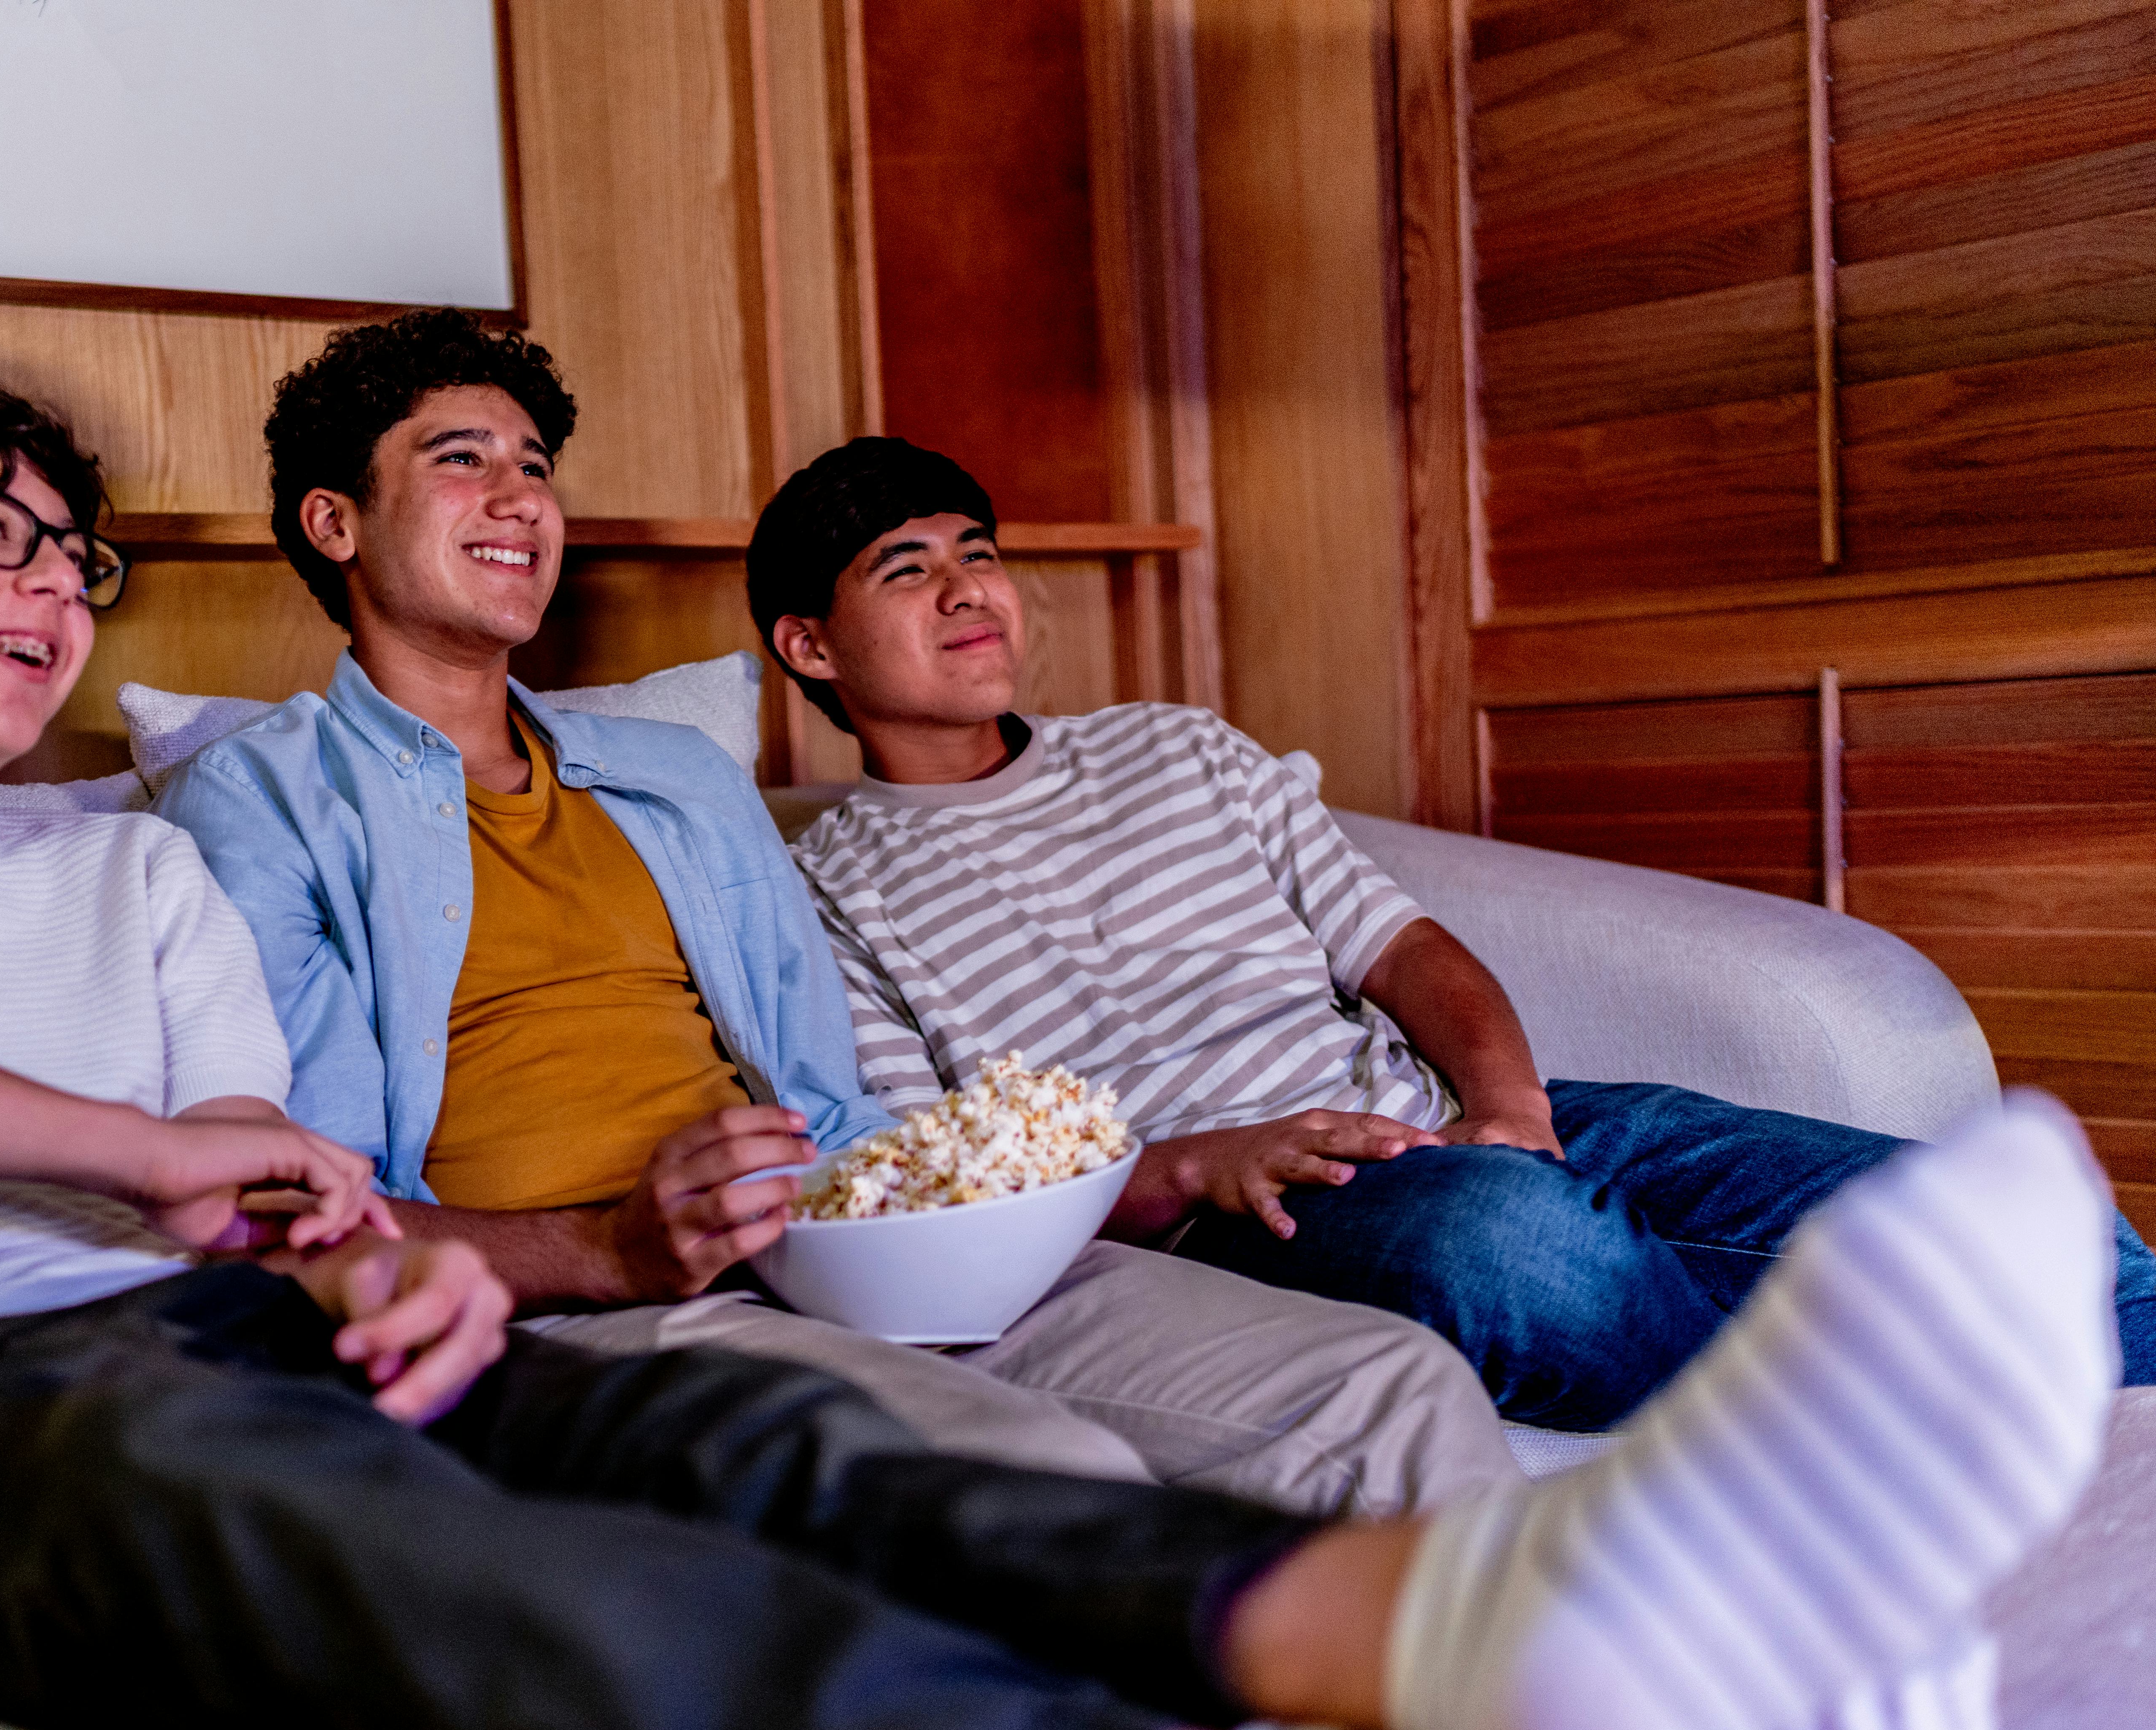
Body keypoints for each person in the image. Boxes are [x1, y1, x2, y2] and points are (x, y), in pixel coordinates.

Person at [0, 367, 2108, 1730]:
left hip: (318, 1318)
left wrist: (368, 1258)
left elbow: (281, 1160)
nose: (58, 592)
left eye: (76, 555)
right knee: (402, 1512)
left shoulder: (132, 864)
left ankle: (1493, 1641)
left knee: (769, 1442)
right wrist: (173, 1175)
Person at [159, 309, 1517, 1517]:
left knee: (1385, 1387)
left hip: (847, 1241)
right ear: (336, 522)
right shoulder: (260, 803)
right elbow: (315, 1218)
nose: (519, 497)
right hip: (599, 1305)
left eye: (535, 466)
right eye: (462, 459)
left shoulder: (677, 778)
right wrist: (610, 1248)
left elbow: (837, 1094)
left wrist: (1015, 1199)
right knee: (1045, 1478)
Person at [758, 435, 2156, 1430]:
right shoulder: (831, 892)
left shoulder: (1178, 752)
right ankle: (1900, 1410)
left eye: (980, 552)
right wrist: (1202, 1162)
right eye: (907, 568)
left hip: (1462, 1119)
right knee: (1511, 1256)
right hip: (1264, 1210)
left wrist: (1512, 1103)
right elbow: (949, 1195)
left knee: (2037, 1219)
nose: (970, 589)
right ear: (811, 647)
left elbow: (1410, 955)